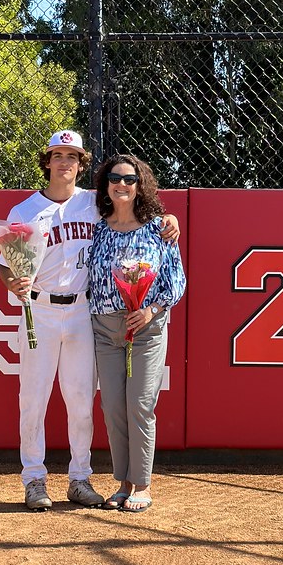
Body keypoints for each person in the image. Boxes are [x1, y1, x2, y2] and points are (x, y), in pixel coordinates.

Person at [0, 131, 180, 511]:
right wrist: (10, 280)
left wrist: (170, 220)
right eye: (58, 155)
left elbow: (133, 214)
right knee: (33, 399)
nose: (65, 162)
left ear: (82, 164)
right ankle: (34, 479)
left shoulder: (94, 204)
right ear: (46, 161)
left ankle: (79, 478)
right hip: (40, 309)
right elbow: (6, 264)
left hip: (83, 311)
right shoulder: (25, 211)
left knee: (81, 401)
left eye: (73, 156)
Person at [88, 154, 186, 512]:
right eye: (115, 178)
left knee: (140, 405)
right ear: (105, 185)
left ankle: (142, 485)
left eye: (129, 179)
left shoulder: (159, 228)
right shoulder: (96, 227)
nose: (122, 184)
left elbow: (176, 279)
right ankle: (123, 483)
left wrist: (150, 310)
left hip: (146, 325)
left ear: (140, 184)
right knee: (113, 405)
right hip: (104, 326)